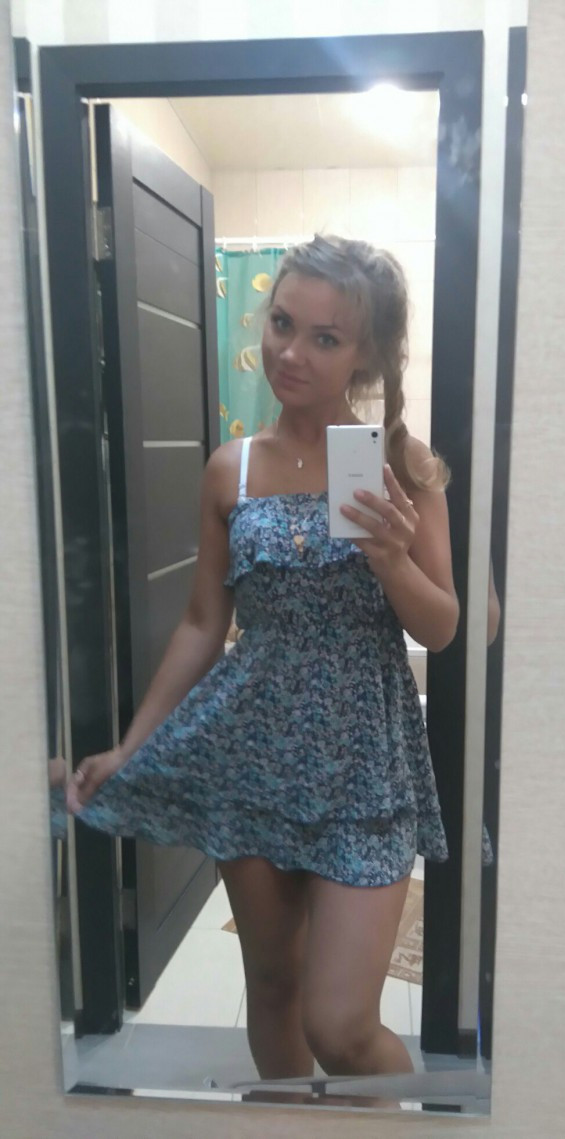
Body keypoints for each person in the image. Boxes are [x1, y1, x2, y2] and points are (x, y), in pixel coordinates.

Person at [67, 234, 459, 1082]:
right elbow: (202, 623)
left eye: (325, 337)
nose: (290, 352)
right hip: (253, 753)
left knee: (341, 1024)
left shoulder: (402, 465)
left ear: (364, 355)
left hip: (365, 761)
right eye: (282, 323)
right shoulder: (230, 470)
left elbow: (442, 628)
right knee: (274, 987)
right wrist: (133, 745)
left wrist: (392, 559)